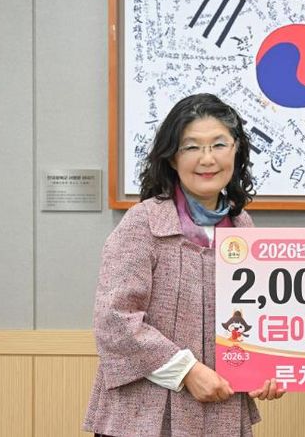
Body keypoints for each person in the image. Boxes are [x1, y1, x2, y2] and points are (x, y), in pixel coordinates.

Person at [84, 93, 283, 437]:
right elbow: (114, 320)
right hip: (144, 416)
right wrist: (187, 370)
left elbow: (255, 317)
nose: (207, 159)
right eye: (191, 147)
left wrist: (265, 369)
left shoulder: (242, 227)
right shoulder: (143, 222)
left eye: (219, 144)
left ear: (236, 151)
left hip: (222, 410)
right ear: (172, 158)